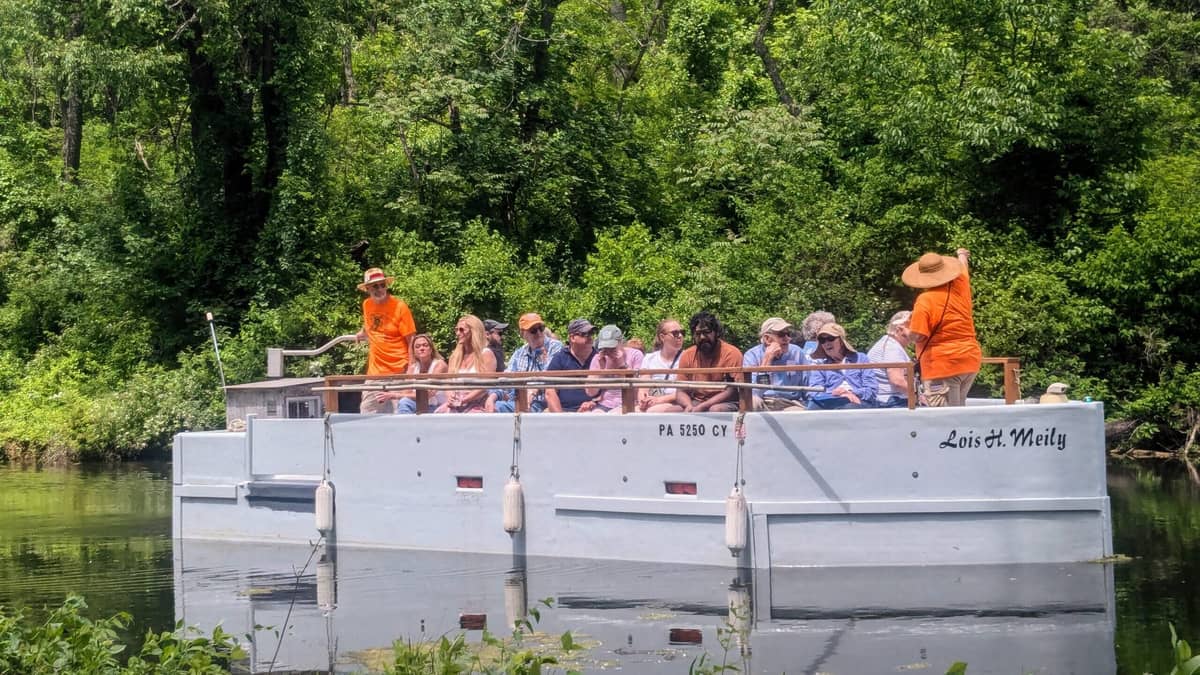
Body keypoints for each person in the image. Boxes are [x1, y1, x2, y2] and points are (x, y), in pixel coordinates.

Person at [902, 248, 982, 407]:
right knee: (959, 410)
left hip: (942, 365)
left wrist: (906, 331)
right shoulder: (961, 286)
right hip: (969, 360)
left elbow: (918, 335)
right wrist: (962, 255)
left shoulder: (925, 300)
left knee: (944, 416)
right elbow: (963, 268)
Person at [356, 267, 417, 413]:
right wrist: (362, 332)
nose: (380, 289)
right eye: (375, 286)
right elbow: (370, 324)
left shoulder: (399, 306)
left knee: (400, 413)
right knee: (367, 412)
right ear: (367, 289)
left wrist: (411, 367)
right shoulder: (367, 304)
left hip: (398, 370)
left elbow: (411, 339)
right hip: (375, 372)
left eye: (382, 285)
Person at [485, 312, 563, 413]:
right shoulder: (519, 353)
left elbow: (549, 376)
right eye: (533, 330)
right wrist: (493, 396)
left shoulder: (555, 347)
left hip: (546, 403)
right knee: (493, 407)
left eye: (541, 328)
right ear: (522, 334)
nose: (539, 333)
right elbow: (506, 379)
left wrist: (533, 391)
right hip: (519, 402)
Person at [675, 311, 742, 413]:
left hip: (725, 402)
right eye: (698, 334)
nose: (702, 337)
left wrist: (703, 406)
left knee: (715, 410)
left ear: (716, 333)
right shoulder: (687, 355)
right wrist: (688, 405)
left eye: (706, 332)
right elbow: (680, 391)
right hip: (696, 402)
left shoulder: (731, 353)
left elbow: (732, 391)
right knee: (672, 410)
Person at [434, 315, 498, 413]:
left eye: (461, 330)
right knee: (438, 416)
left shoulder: (486, 354)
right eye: (456, 330)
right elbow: (448, 382)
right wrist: (450, 396)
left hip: (478, 403)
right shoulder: (454, 356)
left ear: (474, 331)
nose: (458, 333)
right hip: (455, 402)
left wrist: (464, 400)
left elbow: (486, 385)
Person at [742, 317, 809, 411]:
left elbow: (807, 385)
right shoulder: (752, 355)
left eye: (788, 334)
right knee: (752, 402)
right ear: (767, 339)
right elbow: (755, 392)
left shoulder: (797, 352)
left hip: (790, 402)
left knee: (800, 412)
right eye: (781, 335)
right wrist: (767, 360)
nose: (787, 339)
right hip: (764, 400)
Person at [807, 323, 877, 409]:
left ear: (841, 341)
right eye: (822, 340)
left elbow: (871, 389)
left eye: (830, 338)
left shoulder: (861, 359)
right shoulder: (821, 366)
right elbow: (814, 391)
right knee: (813, 406)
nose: (826, 343)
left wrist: (851, 393)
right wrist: (836, 394)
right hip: (831, 401)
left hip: (858, 401)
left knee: (849, 408)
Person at [585, 325, 645, 412]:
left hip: (630, 404)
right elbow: (590, 393)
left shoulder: (635, 355)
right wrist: (600, 371)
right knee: (592, 416)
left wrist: (622, 365)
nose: (608, 351)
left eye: (612, 347)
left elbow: (637, 388)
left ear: (621, 342)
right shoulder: (598, 358)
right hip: (604, 405)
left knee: (615, 415)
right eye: (605, 348)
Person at [545, 319, 598, 412]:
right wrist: (561, 417)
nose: (590, 337)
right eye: (585, 334)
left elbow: (610, 392)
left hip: (596, 411)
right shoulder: (560, 358)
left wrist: (595, 402)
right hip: (565, 412)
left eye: (591, 333)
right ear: (572, 337)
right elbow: (550, 391)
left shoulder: (600, 358)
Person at [867, 310, 914, 408]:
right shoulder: (892, 348)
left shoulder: (888, 343)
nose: (916, 330)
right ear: (899, 329)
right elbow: (897, 382)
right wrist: (916, 396)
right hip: (892, 401)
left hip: (885, 399)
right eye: (911, 326)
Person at [638, 318, 686, 413]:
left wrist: (659, 400)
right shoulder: (649, 358)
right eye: (675, 333)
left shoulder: (687, 357)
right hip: (652, 401)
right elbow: (643, 386)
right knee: (623, 413)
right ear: (662, 337)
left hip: (676, 403)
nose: (680, 336)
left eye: (682, 332)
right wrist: (643, 400)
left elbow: (686, 390)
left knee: (652, 412)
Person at [395, 333, 449, 414]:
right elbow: (405, 392)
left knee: (404, 401)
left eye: (425, 345)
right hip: (419, 404)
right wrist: (402, 395)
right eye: (417, 347)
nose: (421, 348)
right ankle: (405, 422)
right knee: (404, 402)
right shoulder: (413, 368)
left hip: (438, 406)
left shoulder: (439, 365)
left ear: (431, 349)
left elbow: (427, 394)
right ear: (414, 352)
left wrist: (395, 395)